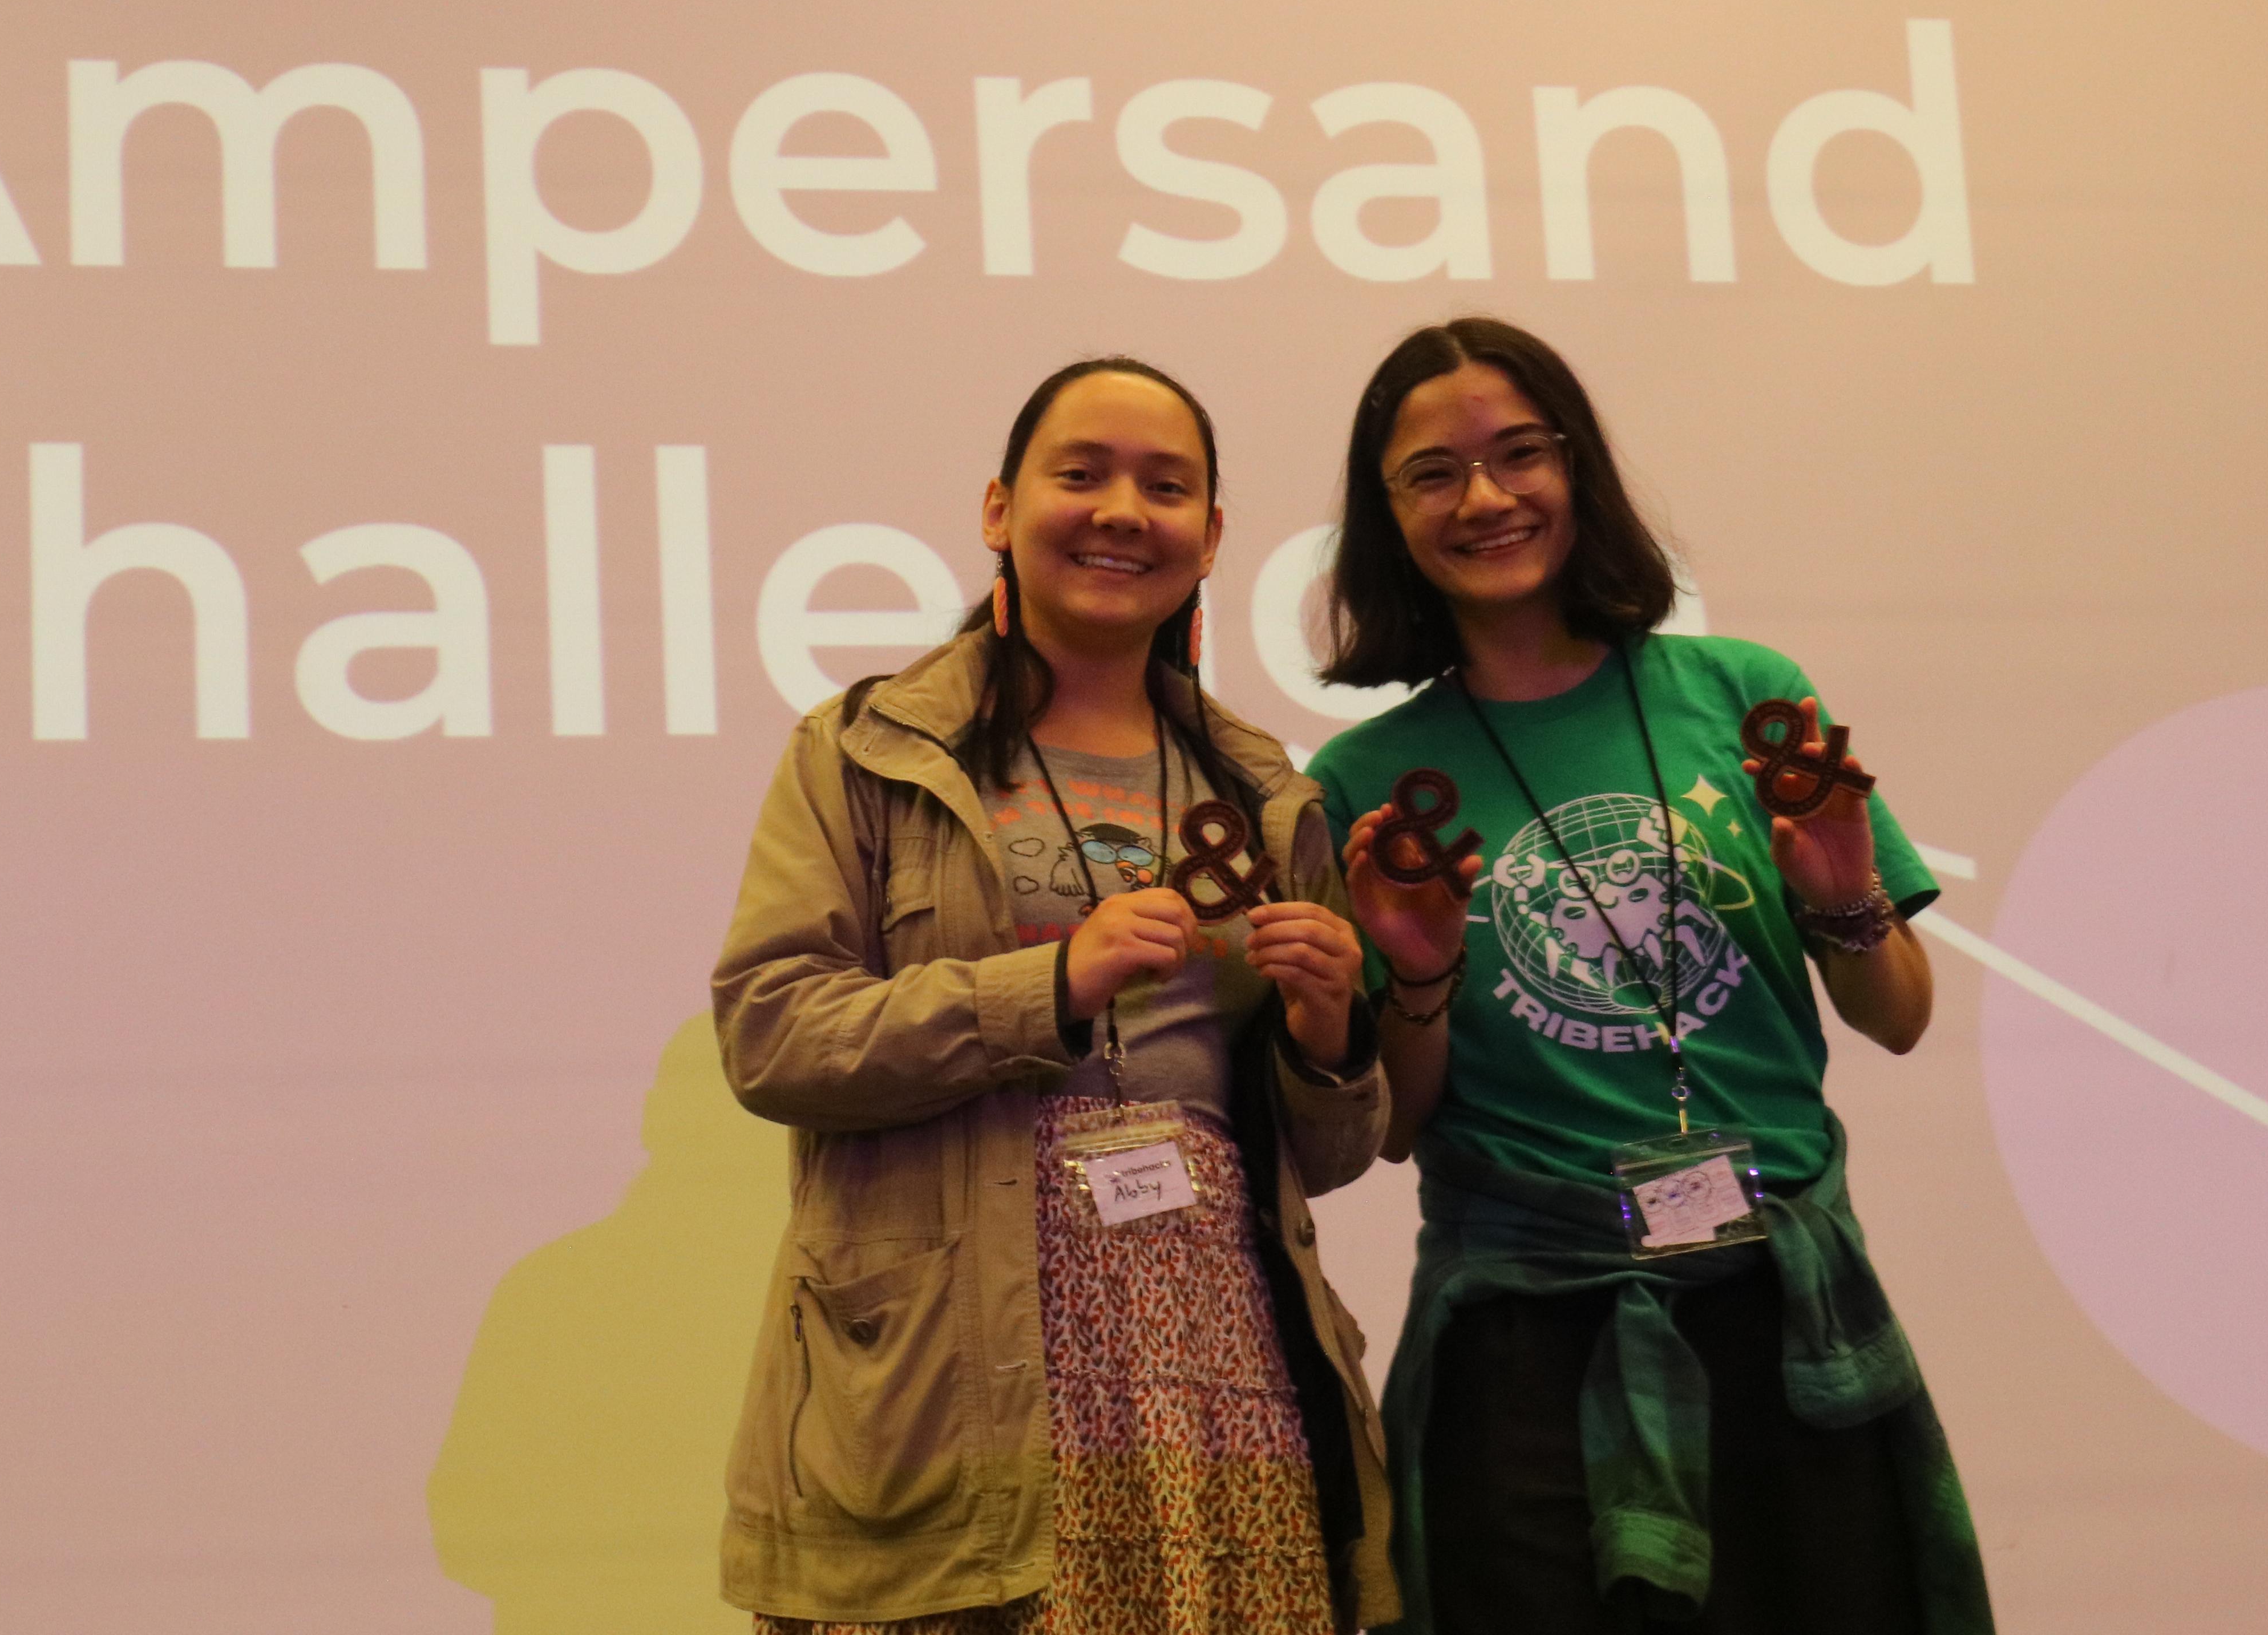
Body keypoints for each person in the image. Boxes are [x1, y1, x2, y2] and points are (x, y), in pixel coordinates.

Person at [1302, 318, 1992, 1635]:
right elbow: (1394, 1126)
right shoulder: (1360, 784)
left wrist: (1844, 897)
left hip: (1786, 1312)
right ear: (1387, 516)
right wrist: (1424, 973)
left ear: (1580, 469)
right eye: (1433, 473)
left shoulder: (1744, 692)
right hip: (1528, 1335)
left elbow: (1897, 1018)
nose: (1487, 498)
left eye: (1520, 455)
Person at [711, 358, 1404, 1634]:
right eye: (1080, 474)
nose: (1122, 511)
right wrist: (1055, 983)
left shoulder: (1264, 791)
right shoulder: (865, 748)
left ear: (1210, 537)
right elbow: (772, 1034)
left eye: (1166, 486)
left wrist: (1325, 1031)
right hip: (951, 1364)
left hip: (1216, 1358)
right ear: (997, 509)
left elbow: (1333, 1154)